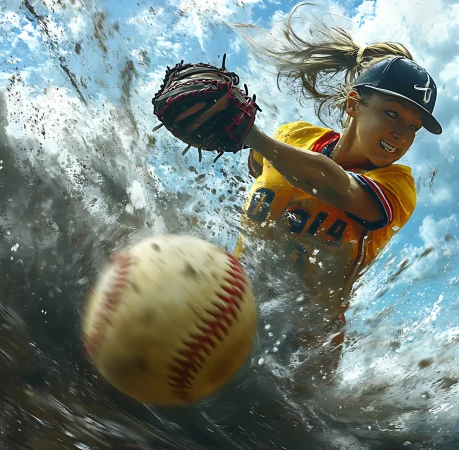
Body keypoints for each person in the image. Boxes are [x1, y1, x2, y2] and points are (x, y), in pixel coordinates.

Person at [167, 4, 443, 389]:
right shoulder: (292, 136)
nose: (401, 134)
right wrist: (209, 123)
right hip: (226, 312)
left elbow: (337, 187)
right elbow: (256, 164)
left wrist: (253, 135)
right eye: (393, 114)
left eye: (414, 127)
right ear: (353, 104)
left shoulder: (398, 185)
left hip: (302, 356)